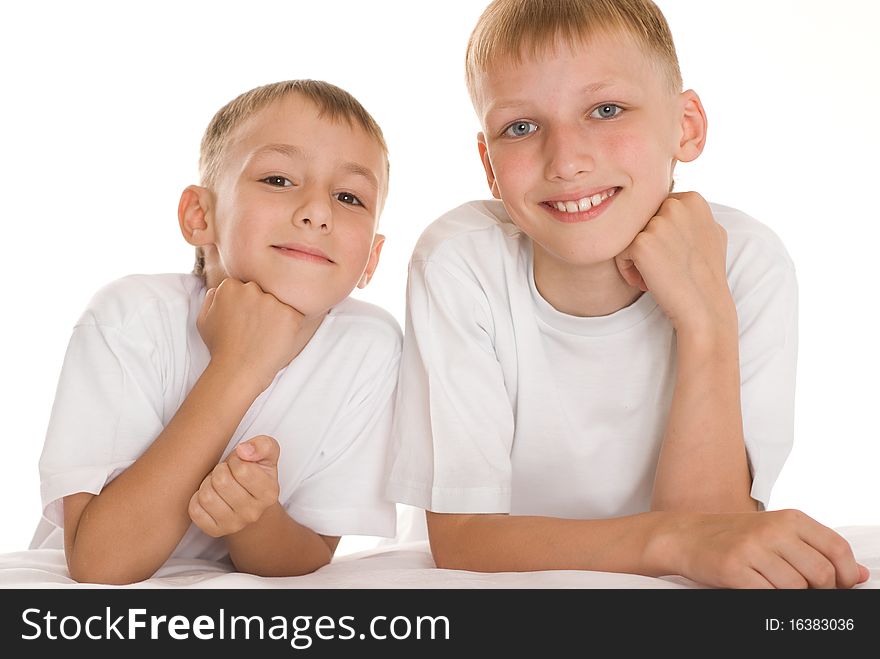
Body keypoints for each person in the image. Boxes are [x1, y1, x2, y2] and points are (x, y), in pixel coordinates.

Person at [386, 0, 869, 588]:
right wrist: (671, 538)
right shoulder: (460, 263)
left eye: (606, 109)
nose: (566, 161)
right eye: (521, 126)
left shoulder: (747, 261)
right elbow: (464, 538)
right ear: (489, 164)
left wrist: (705, 318)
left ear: (686, 125)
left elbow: (716, 525)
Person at [35, 79, 401, 584]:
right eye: (278, 180)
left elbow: (310, 557)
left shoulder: (370, 346)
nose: (318, 212)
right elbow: (101, 566)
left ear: (371, 259)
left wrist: (252, 519)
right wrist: (237, 368)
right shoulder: (129, 317)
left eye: (349, 196)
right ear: (199, 215)